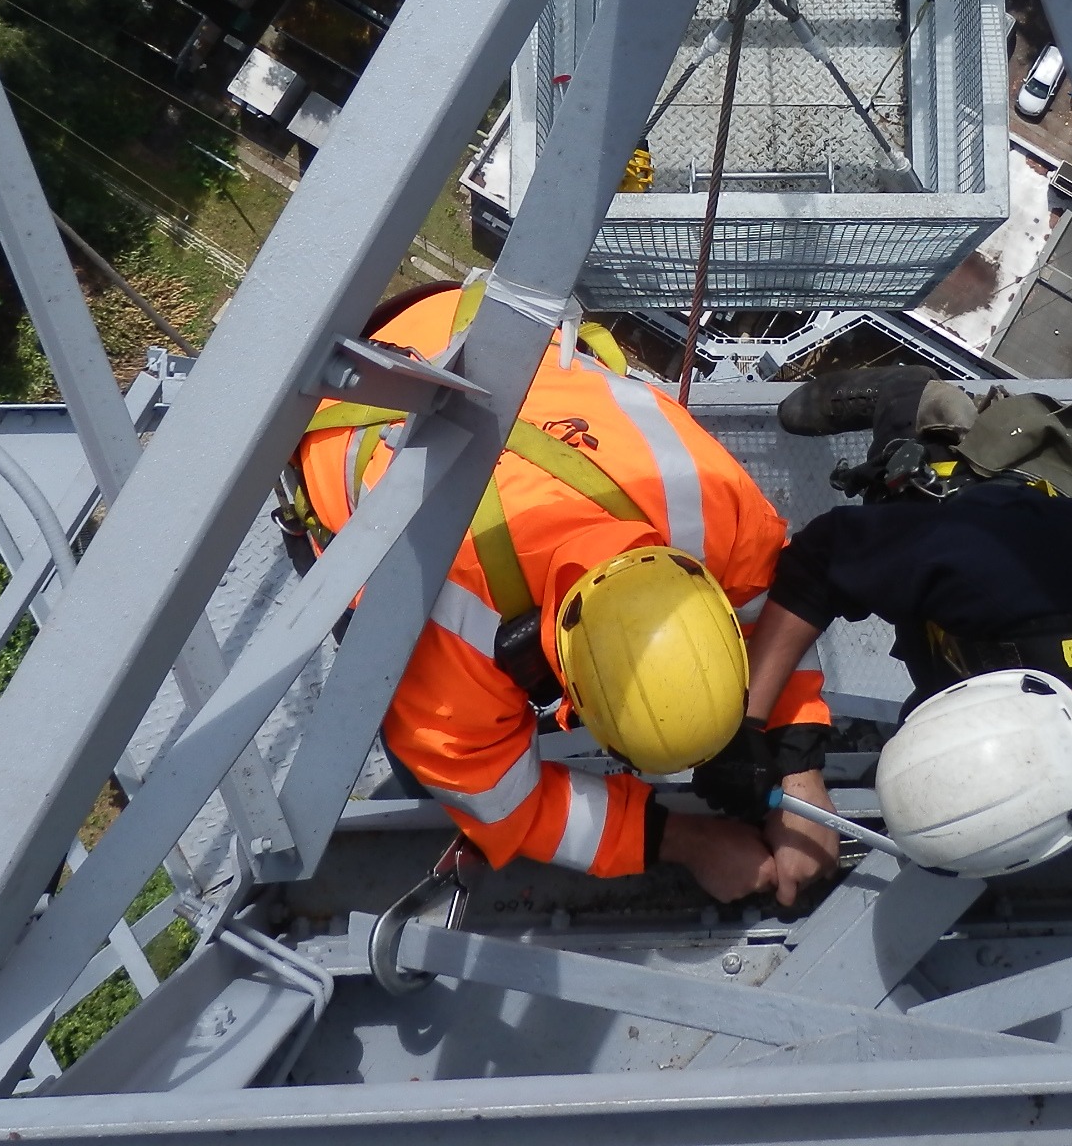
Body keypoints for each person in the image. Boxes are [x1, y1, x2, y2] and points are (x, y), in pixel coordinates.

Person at [290, 282, 836, 904]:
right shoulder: (440, 640)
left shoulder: (708, 502)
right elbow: (500, 799)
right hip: (345, 401)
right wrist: (687, 841)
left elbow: (771, 609)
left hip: (463, 326)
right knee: (429, 764)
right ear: (566, 686)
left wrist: (797, 769)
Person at [696, 370, 1072, 881]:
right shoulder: (1010, 571)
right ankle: (908, 397)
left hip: (1034, 630)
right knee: (907, 495)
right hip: (1019, 554)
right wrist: (753, 728)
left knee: (923, 591)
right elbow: (820, 563)